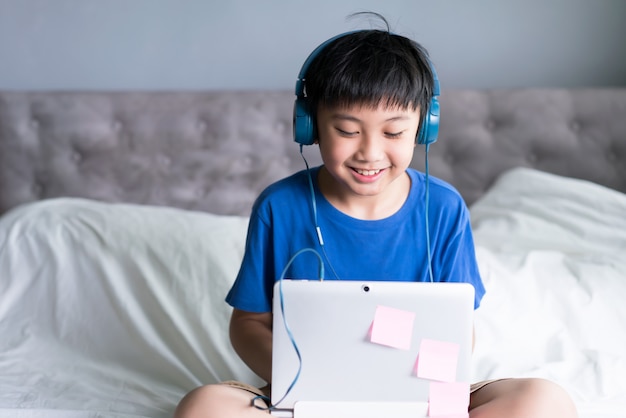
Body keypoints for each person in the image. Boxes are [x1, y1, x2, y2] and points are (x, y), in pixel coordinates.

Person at [175, 14, 578, 418]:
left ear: (423, 128)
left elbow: (457, 327)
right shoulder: (279, 206)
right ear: (310, 125)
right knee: (202, 407)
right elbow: (247, 324)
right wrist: (304, 378)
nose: (369, 153)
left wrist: (420, 388)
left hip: (420, 396)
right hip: (306, 394)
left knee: (546, 402)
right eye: (348, 131)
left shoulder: (443, 208)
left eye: (393, 133)